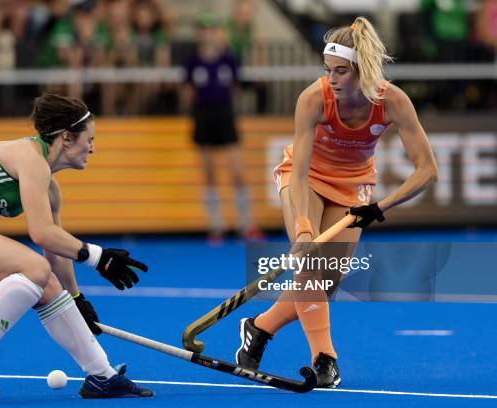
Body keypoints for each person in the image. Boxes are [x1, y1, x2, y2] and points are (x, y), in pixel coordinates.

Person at [234, 17, 438, 388]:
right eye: (328, 70)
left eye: (341, 72)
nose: (332, 79)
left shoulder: (392, 102)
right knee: (310, 267)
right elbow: (298, 174)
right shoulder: (314, 97)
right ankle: (325, 359)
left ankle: (259, 326)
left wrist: (381, 206)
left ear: (364, 69)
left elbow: (427, 170)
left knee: (323, 286)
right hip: (306, 178)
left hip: (354, 186)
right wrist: (303, 229)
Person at [0, 93, 154, 399]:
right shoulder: (30, 158)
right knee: (35, 268)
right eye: (89, 139)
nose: (93, 147)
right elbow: (41, 234)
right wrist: (98, 257)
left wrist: (75, 299)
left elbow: (54, 245)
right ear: (66, 137)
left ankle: (102, 375)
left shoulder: (49, 185)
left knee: (47, 286)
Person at [181, 11, 263, 244]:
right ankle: (215, 226)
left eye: (212, 29)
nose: (208, 34)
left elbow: (236, 87)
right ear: (199, 33)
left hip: (225, 115)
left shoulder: (229, 59)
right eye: (204, 30)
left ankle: (245, 224)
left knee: (237, 172)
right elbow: (187, 93)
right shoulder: (192, 62)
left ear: (218, 32)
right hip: (203, 117)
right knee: (209, 174)